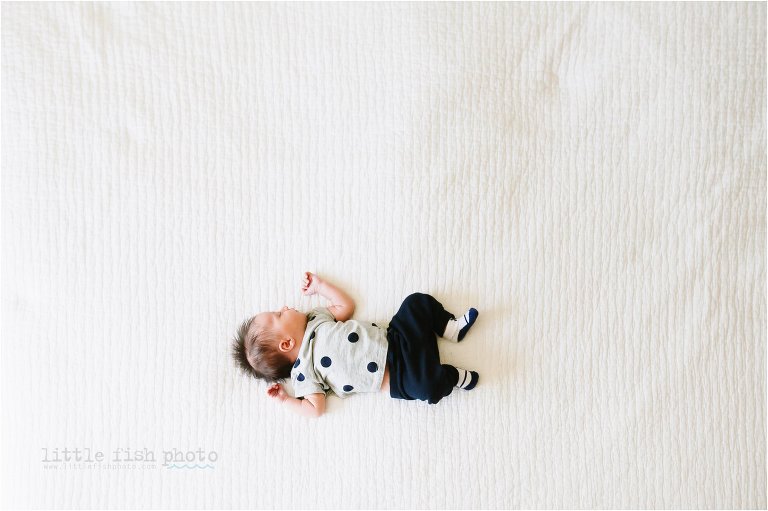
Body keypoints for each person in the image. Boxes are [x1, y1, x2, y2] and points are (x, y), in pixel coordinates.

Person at [232, 272, 480, 418]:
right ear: (287, 343)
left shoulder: (316, 319)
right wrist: (286, 400)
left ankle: (450, 328)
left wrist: (320, 287)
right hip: (395, 377)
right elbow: (315, 409)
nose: (285, 307)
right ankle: (454, 376)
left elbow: (345, 306)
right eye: (279, 314)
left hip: (396, 338)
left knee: (415, 302)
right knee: (426, 387)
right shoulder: (303, 373)